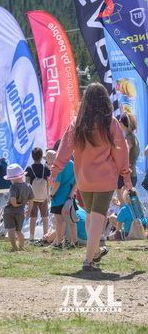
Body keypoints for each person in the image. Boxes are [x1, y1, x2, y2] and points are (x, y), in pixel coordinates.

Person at [52, 83, 131, 272]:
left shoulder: (78, 122)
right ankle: (88, 260)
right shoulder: (110, 123)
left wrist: (55, 170)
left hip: (84, 179)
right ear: (105, 101)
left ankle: (95, 251)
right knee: (97, 218)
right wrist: (126, 176)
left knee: (90, 216)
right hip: (105, 178)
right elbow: (120, 152)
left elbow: (64, 148)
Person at [45, 149, 78, 249]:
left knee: (59, 221)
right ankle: (74, 242)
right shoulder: (72, 164)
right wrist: (72, 193)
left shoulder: (57, 166)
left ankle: (58, 243)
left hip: (58, 197)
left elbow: (57, 183)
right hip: (69, 196)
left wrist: (51, 195)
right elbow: (77, 181)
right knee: (71, 220)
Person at [3, 164, 35, 251]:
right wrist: (29, 211)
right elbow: (31, 200)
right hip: (20, 211)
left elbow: (12, 198)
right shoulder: (28, 186)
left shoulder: (13, 186)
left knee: (11, 229)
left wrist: (14, 204)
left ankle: (14, 247)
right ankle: (21, 246)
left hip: (9, 211)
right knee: (19, 230)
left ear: (11, 178)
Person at [24, 147, 51, 241]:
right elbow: (48, 182)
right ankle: (45, 236)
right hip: (43, 196)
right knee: (45, 217)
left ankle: (31, 236)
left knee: (33, 217)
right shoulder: (45, 168)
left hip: (33, 197)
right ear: (41, 156)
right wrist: (48, 195)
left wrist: (26, 197)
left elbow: (26, 183)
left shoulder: (29, 168)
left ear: (32, 156)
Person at [116, 113, 140, 203]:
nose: (118, 122)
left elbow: (124, 155)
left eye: (120, 121)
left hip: (125, 176)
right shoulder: (134, 138)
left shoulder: (128, 138)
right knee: (128, 204)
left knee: (124, 203)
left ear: (125, 124)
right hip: (132, 174)